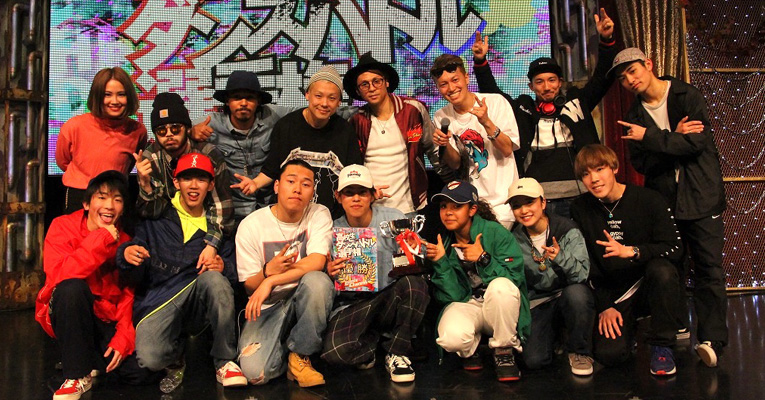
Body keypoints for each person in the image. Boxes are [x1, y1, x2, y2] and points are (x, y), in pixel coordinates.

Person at [610, 47, 728, 368]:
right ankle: (676, 327)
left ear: (648, 65)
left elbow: (697, 143)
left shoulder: (685, 95)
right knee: (669, 267)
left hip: (701, 196)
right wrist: (671, 137)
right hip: (664, 201)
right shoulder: (633, 116)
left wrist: (651, 137)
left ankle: (712, 339)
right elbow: (642, 164)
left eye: (633, 71)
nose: (630, 80)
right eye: (623, 78)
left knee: (709, 269)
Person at [116, 153, 246, 391]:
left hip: (197, 301)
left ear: (211, 185)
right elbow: (134, 248)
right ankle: (176, 353)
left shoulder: (217, 228)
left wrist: (224, 267)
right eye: (187, 179)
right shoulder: (158, 215)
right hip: (160, 300)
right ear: (176, 182)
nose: (194, 186)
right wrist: (126, 253)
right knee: (150, 359)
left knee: (215, 281)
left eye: (201, 179)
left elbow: (237, 271)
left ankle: (224, 360)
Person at [472, 8, 617, 218]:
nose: (547, 87)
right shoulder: (523, 110)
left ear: (560, 82)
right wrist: (480, 62)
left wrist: (606, 40)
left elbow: (603, 78)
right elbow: (494, 94)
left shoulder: (577, 102)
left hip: (580, 196)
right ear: (531, 87)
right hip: (537, 199)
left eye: (552, 80)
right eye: (539, 82)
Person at [570, 144, 685, 376]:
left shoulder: (649, 199)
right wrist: (605, 305)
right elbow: (586, 262)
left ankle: (662, 344)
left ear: (614, 168)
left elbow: (674, 248)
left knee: (662, 270)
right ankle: (634, 326)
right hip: (615, 294)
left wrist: (633, 251)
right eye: (586, 174)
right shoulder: (580, 207)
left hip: (647, 285)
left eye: (599, 169)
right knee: (610, 355)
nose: (594, 179)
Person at [35, 171, 147, 400]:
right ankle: (77, 375)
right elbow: (60, 276)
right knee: (72, 288)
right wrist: (101, 239)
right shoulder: (62, 226)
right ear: (86, 204)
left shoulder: (126, 241)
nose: (109, 206)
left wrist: (124, 335)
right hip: (67, 309)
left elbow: (128, 294)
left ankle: (88, 359)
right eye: (102, 197)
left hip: (104, 318)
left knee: (138, 372)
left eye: (117, 200)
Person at [321, 165, 430, 383]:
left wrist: (416, 249)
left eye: (362, 192)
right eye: (349, 193)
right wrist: (329, 273)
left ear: (372, 195)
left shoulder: (394, 218)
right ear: (338, 197)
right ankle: (373, 342)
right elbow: (326, 279)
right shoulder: (331, 231)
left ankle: (397, 352)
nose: (356, 198)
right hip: (354, 305)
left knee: (415, 284)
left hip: (389, 300)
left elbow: (420, 255)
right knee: (335, 353)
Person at [236, 159, 335, 387]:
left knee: (318, 282)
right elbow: (249, 285)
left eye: (306, 184)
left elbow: (317, 261)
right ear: (277, 186)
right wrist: (266, 273)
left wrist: (272, 280)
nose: (297, 189)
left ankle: (301, 354)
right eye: (291, 181)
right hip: (269, 305)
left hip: (304, 297)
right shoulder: (251, 225)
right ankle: (288, 346)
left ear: (312, 191)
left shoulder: (319, 213)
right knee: (255, 374)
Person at [425, 181, 530, 382]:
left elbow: (515, 280)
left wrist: (484, 259)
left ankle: (504, 350)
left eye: (457, 206)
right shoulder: (445, 241)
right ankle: (471, 350)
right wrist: (441, 263)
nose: (448, 212)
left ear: (472, 209)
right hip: (471, 305)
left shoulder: (495, 232)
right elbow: (454, 296)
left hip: (499, 308)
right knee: (450, 338)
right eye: (444, 206)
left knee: (500, 288)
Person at [233, 66, 364, 214]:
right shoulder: (286, 126)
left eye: (332, 98)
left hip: (330, 216)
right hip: (289, 215)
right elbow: (272, 168)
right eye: (318, 96)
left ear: (339, 102)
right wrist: (255, 183)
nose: (324, 103)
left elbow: (354, 173)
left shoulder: (345, 131)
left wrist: (369, 190)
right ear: (307, 94)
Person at [134, 92, 234, 268]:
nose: (169, 135)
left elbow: (221, 206)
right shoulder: (149, 159)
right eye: (162, 131)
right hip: (168, 233)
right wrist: (145, 186)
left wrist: (212, 245)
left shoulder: (208, 154)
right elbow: (151, 214)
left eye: (175, 128)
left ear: (187, 128)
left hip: (205, 227)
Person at [507, 177, 594, 376]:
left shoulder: (567, 229)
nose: (524, 210)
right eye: (516, 205)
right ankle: (555, 335)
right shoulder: (514, 239)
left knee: (577, 295)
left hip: (568, 293)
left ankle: (579, 351)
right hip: (540, 300)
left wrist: (560, 257)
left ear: (543, 202)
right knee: (534, 360)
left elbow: (582, 274)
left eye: (530, 202)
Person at [343, 53, 442, 217]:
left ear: (386, 82)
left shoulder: (413, 110)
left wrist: (451, 181)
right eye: (364, 84)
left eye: (376, 81)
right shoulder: (356, 120)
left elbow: (433, 149)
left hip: (408, 207)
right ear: (358, 91)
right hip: (369, 208)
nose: (372, 88)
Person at [430, 56, 521, 228]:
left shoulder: (495, 102)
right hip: (472, 204)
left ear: (466, 78)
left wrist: (486, 122)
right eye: (443, 84)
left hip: (504, 203)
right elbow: (456, 164)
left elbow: (507, 149)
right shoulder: (441, 115)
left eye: (455, 80)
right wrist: (444, 144)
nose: (451, 88)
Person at [190, 71, 293, 222]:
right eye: (237, 97)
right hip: (232, 209)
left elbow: (306, 113)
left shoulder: (271, 115)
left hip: (270, 208)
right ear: (227, 101)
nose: (243, 103)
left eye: (250, 98)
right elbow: (174, 131)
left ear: (258, 101)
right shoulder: (211, 123)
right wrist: (190, 132)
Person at [56, 67, 148, 213]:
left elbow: (129, 164)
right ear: (97, 96)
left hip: (115, 198)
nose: (115, 101)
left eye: (121, 94)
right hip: (79, 197)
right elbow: (63, 162)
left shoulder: (138, 131)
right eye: (107, 94)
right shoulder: (74, 126)